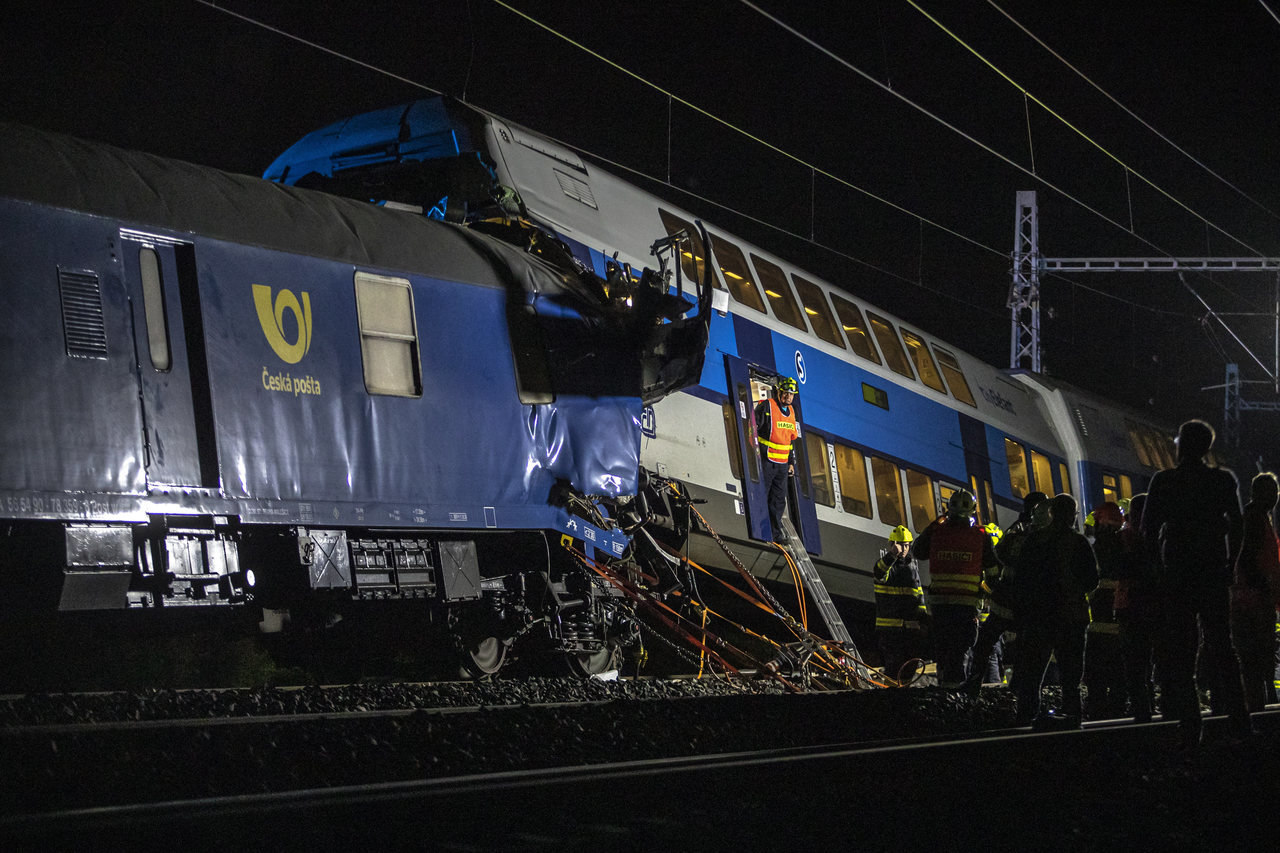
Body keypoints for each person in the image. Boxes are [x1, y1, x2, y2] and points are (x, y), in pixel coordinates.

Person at [1141, 418, 1250, 748]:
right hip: (1213, 572)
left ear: (1180, 445)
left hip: (1177, 573)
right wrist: (1231, 563)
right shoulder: (1222, 480)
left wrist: (1159, 569)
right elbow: (1237, 524)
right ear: (1207, 447)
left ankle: (1191, 724)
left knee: (1182, 650)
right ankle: (1239, 722)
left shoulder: (1163, 481)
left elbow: (1148, 530)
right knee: (1223, 647)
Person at [1009, 493, 1098, 728]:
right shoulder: (1078, 543)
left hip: (1039, 616)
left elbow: (1021, 579)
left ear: (1051, 513)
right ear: (1072, 516)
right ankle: (1072, 713)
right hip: (1072, 616)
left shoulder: (1035, 540)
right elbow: (1092, 580)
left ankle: (1027, 715)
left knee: (1033, 670)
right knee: (1071, 673)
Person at [913, 490, 999, 689]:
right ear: (973, 510)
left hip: (940, 604)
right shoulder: (980, 536)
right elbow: (994, 573)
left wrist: (936, 523)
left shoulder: (936, 531)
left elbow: (919, 551)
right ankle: (955, 689)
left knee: (943, 646)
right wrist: (983, 590)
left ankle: (945, 685)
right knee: (960, 649)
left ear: (947, 508)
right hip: (967, 605)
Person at [1230, 472, 1280, 712]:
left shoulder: (1256, 517)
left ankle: (1259, 704)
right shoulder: (1255, 519)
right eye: (1272, 491)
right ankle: (1259, 709)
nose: (1275, 497)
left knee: (1255, 656)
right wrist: (1263, 587)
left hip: (1252, 597)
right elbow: (1249, 559)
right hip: (1254, 600)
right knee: (1257, 655)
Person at [1084, 501, 1127, 719]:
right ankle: (1120, 714)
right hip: (1122, 624)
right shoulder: (1127, 545)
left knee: (1096, 676)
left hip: (1098, 625)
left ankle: (1098, 713)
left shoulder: (1096, 548)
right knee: (1120, 676)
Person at [1116, 493, 1157, 723]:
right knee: (1153, 660)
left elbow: (1115, 568)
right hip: (1154, 605)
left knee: (1134, 662)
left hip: (1129, 604)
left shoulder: (1123, 537)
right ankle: (1153, 704)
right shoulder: (1157, 536)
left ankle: (1142, 708)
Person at [873, 525, 928, 683]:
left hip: (909, 630)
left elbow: (919, 596)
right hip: (890, 630)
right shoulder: (887, 565)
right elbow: (879, 573)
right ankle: (891, 697)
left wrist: (923, 621)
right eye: (899, 544)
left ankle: (901, 694)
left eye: (906, 545)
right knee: (894, 667)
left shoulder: (911, 567)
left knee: (910, 665)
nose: (903, 548)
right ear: (891, 544)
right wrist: (892, 555)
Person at [754, 377, 800, 543]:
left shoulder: (792, 412)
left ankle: (775, 533)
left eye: (791, 394)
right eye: (786, 393)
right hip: (767, 461)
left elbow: (790, 440)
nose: (789, 397)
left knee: (778, 499)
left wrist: (791, 463)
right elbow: (752, 428)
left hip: (781, 465)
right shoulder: (766, 406)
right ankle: (759, 528)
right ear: (779, 392)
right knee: (762, 495)